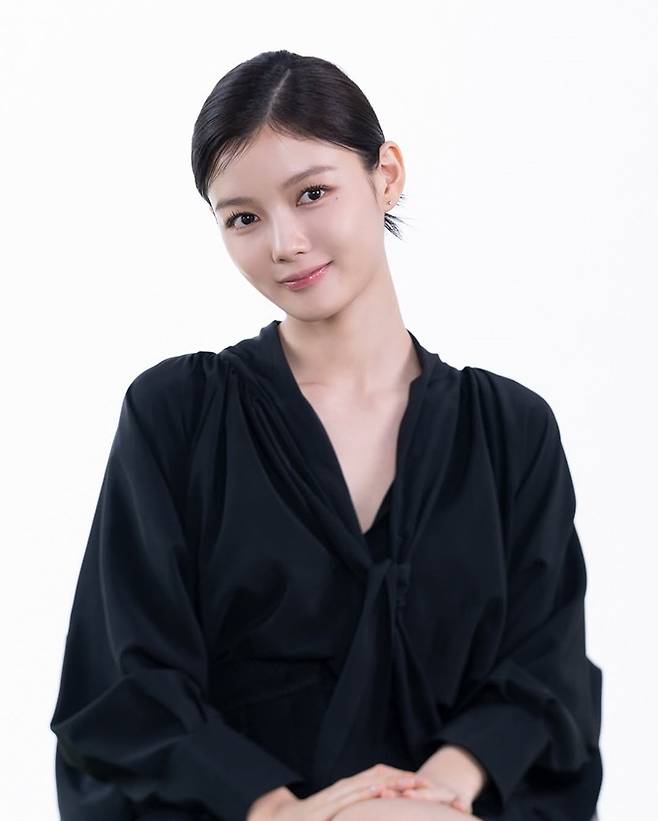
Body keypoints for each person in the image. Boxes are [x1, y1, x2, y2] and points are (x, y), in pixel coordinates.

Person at [49, 50, 603, 821]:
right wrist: (283, 811)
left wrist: (431, 794)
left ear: (386, 175)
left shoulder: (510, 430)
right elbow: (127, 684)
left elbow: (545, 673)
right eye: (243, 217)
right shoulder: (177, 414)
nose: (284, 242)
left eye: (312, 193)